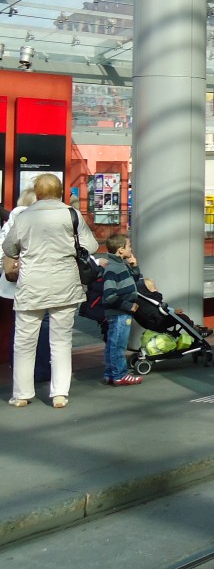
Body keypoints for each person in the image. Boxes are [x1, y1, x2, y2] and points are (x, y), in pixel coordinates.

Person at [2, 173, 96, 409]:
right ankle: (60, 393)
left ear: (37, 192)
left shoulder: (24, 216)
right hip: (65, 284)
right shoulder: (71, 214)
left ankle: (22, 394)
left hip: (32, 285)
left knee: (24, 341)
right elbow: (91, 246)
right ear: (60, 191)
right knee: (61, 341)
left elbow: (9, 248)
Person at [1, 188, 52, 384]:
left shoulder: (12, 221)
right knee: (44, 325)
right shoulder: (39, 221)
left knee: (20, 328)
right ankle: (41, 369)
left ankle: (19, 369)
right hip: (39, 283)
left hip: (14, 286)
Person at [97, 233, 152, 386]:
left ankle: (110, 373)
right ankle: (120, 375)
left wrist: (134, 267)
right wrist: (129, 306)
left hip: (120, 313)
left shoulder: (121, 265)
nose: (131, 249)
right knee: (118, 345)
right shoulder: (113, 269)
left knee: (113, 344)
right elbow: (109, 296)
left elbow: (132, 281)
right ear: (120, 250)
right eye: (129, 246)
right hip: (119, 313)